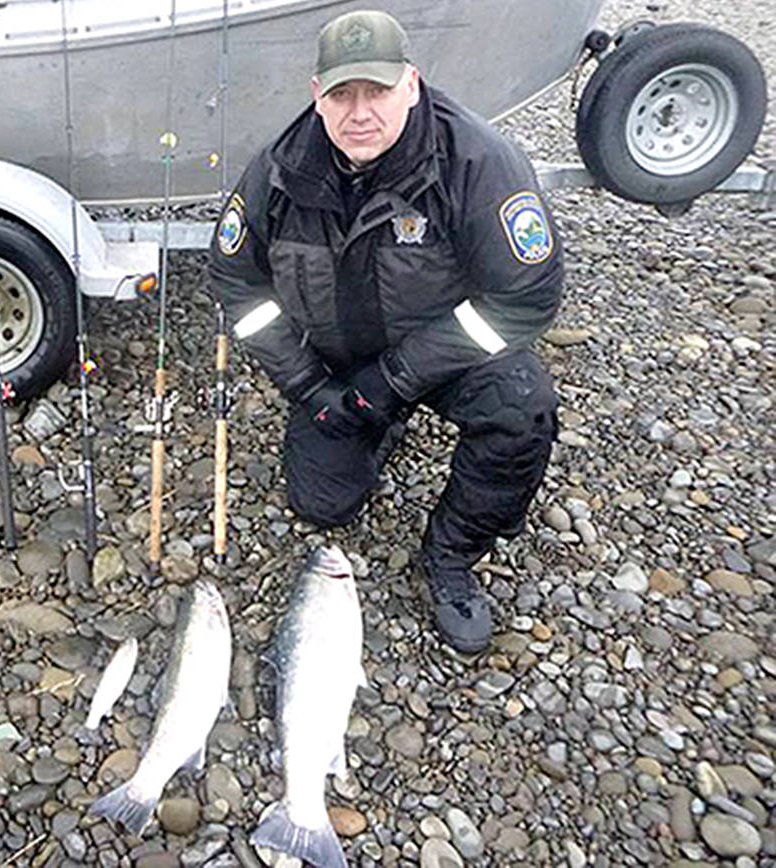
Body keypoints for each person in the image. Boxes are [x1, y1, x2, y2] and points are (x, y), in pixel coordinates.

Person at [209, 9, 563, 654]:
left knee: (522, 410)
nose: (360, 112)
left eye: (377, 91)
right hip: (334, 366)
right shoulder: (277, 168)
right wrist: (307, 385)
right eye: (342, 94)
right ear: (317, 96)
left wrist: (395, 379)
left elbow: (525, 297)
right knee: (323, 508)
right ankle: (373, 424)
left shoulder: (480, 162)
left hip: (442, 353)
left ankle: (453, 554)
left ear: (412, 83)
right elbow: (235, 282)